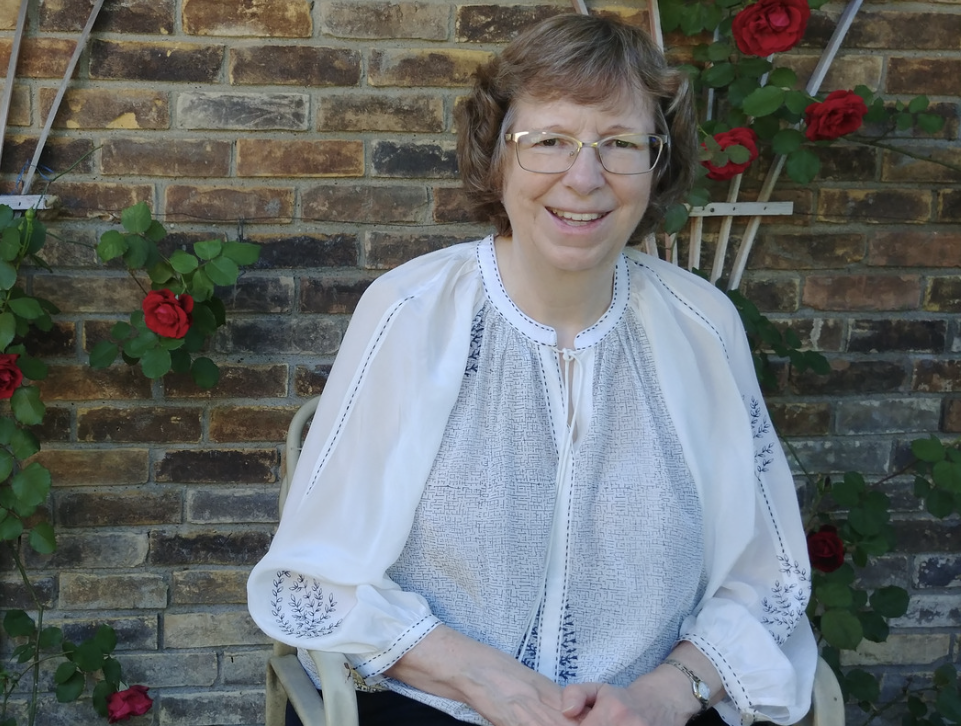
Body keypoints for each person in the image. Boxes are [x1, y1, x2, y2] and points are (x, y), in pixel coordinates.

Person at [247, 12, 816, 726]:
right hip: (434, 700)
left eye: (619, 143)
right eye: (549, 141)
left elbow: (767, 578)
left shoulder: (703, 326)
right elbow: (320, 573)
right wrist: (488, 680)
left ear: (657, 162)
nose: (584, 178)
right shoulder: (411, 311)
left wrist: (665, 694)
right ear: (497, 157)